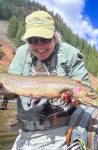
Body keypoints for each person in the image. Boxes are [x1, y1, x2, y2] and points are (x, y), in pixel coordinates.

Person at [8, 10, 89, 150]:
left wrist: (77, 97)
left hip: (61, 134)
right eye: (32, 40)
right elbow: (10, 92)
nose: (39, 46)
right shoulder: (22, 52)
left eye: (45, 39)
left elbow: (85, 90)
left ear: (55, 37)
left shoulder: (71, 54)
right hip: (25, 135)